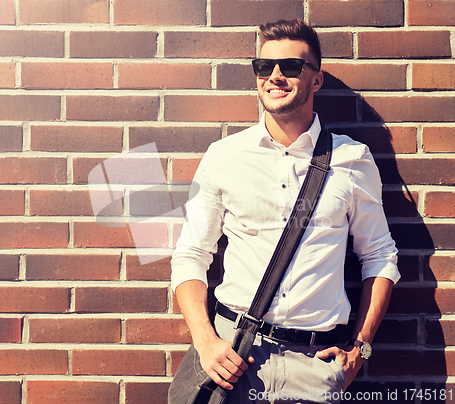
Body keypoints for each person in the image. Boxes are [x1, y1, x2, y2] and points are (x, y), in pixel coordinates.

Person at [171, 19, 400, 403]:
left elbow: (380, 257)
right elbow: (190, 255)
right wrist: (205, 340)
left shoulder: (352, 159)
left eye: (291, 67)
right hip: (232, 357)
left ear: (317, 79)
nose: (275, 76)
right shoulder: (223, 157)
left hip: (314, 367)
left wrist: (361, 351)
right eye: (264, 66)